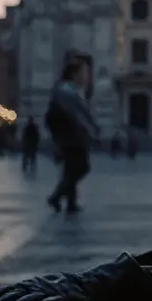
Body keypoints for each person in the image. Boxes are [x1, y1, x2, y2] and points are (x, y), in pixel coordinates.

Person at [45, 55, 99, 214]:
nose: (86, 77)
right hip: (71, 136)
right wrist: (91, 128)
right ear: (75, 74)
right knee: (81, 167)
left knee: (70, 169)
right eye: (84, 73)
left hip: (68, 136)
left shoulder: (65, 90)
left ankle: (70, 204)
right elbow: (77, 114)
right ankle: (56, 196)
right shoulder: (66, 91)